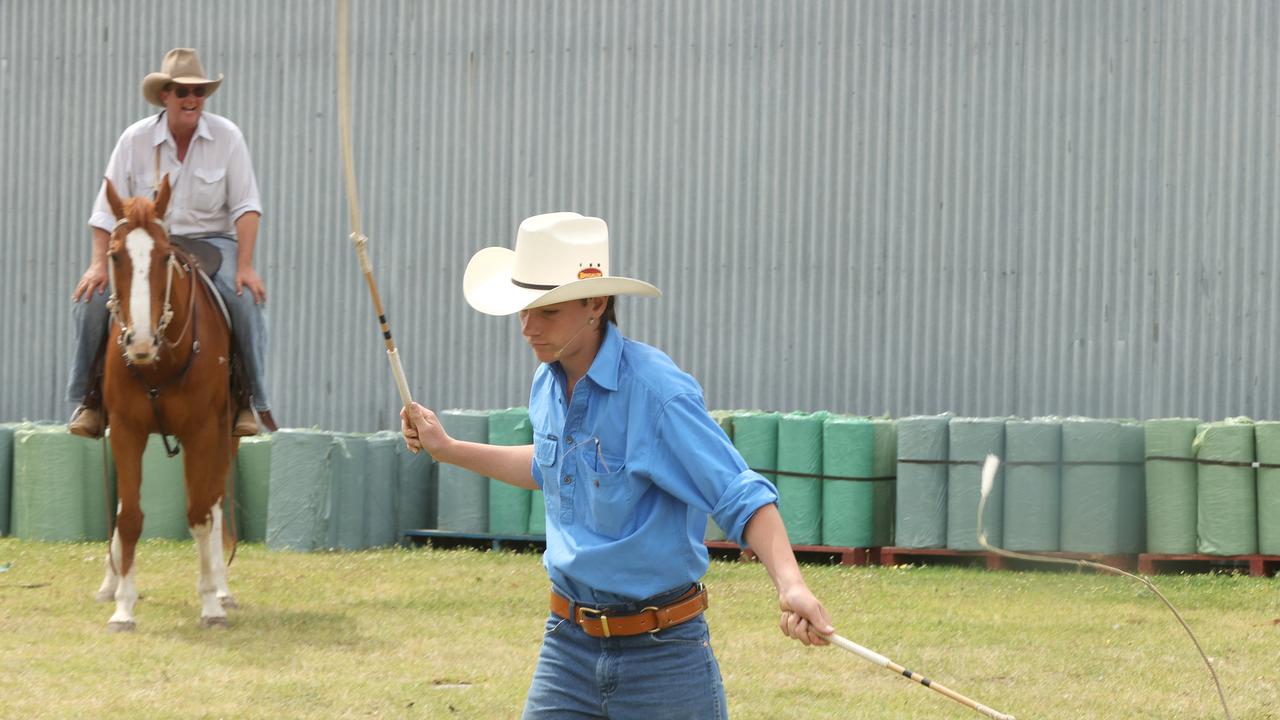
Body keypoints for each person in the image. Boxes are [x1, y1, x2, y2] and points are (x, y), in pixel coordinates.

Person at [401, 212, 834, 719]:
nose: (528, 327)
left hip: (664, 657)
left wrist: (792, 586)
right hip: (566, 645)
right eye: (524, 308)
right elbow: (553, 467)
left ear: (596, 303)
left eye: (548, 310)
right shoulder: (547, 380)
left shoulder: (657, 393)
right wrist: (448, 448)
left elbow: (739, 494)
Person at [68, 48, 276, 437]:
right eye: (182, 91)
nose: (192, 99)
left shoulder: (228, 137)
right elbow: (103, 212)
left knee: (245, 300)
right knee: (91, 300)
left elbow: (247, 206)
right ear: (165, 95)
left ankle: (250, 401)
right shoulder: (135, 139)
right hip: (149, 243)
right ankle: (89, 399)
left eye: (198, 92)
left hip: (211, 241)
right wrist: (98, 264)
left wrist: (245, 265)